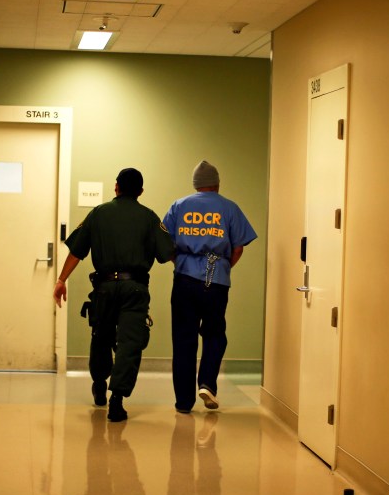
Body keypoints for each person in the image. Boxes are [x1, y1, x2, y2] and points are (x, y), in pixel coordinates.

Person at [54, 168, 175, 422]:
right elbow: (167, 254)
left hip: (105, 289)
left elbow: (77, 251)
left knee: (101, 336)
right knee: (129, 343)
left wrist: (61, 279)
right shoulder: (150, 217)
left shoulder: (98, 214)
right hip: (135, 289)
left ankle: (99, 382)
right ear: (141, 192)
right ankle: (117, 400)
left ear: (116, 187)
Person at [162, 161, 257, 413]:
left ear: (195, 184)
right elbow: (238, 247)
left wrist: (182, 262)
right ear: (217, 183)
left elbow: (165, 244)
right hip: (216, 281)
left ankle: (183, 402)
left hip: (184, 279)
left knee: (184, 339)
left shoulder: (179, 206)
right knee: (214, 334)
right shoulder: (229, 208)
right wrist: (222, 270)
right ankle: (207, 383)